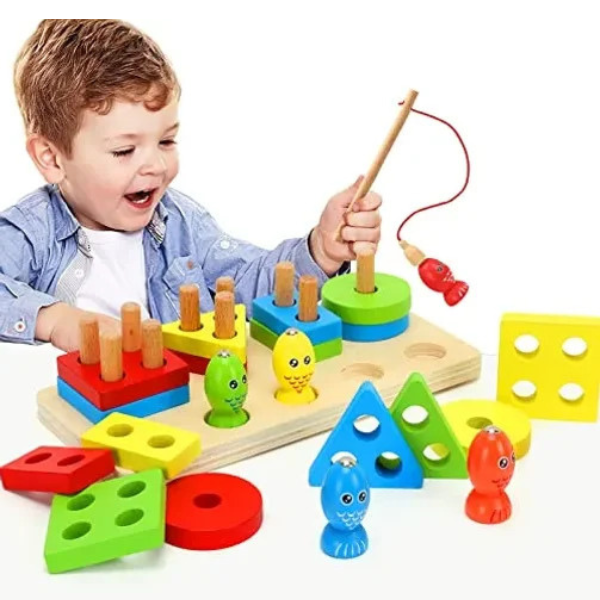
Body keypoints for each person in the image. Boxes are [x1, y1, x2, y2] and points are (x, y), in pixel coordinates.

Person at [0, 19, 382, 353]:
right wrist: (54, 319)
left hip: (186, 403)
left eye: (166, 141)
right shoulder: (32, 232)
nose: (156, 165)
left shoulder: (180, 223)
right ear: (51, 158)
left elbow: (251, 283)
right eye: (124, 150)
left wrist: (320, 251)